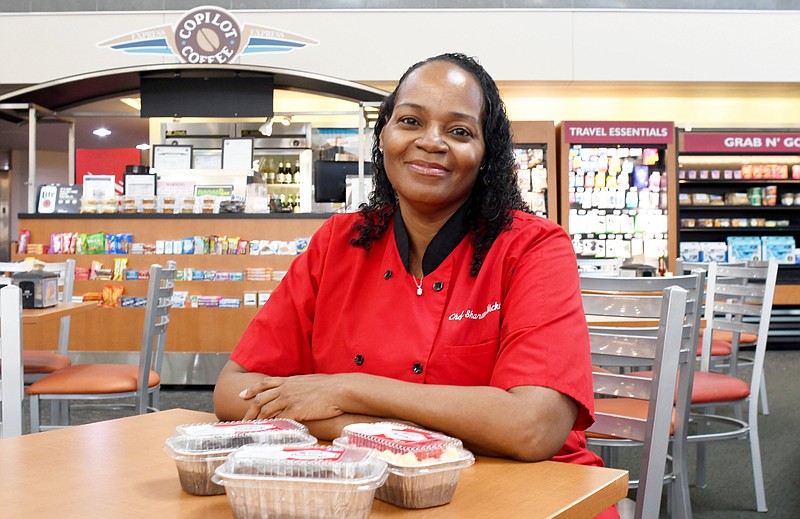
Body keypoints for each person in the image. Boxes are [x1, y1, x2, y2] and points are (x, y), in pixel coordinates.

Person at [214, 53, 602, 470]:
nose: (431, 142)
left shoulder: (533, 247)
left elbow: (532, 428)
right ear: (384, 136)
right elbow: (232, 390)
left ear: (487, 154)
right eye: (410, 121)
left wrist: (346, 391)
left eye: (458, 130)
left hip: (531, 493)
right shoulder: (337, 243)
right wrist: (385, 433)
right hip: (368, 485)